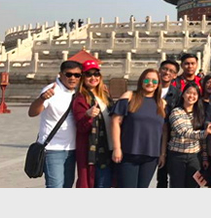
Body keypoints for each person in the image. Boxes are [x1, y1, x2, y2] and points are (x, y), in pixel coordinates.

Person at [28, 60, 81, 188]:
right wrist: (42, 99)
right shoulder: (52, 90)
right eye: (68, 74)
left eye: (77, 75)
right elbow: (32, 112)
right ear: (60, 75)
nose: (73, 78)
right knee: (55, 186)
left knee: (67, 185)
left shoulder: (79, 92)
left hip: (72, 149)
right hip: (53, 149)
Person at [111, 69, 167, 188]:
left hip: (151, 155)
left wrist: (162, 153)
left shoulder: (162, 104)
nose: (150, 83)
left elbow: (164, 130)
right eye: (146, 80)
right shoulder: (129, 96)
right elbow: (116, 122)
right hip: (129, 152)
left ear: (158, 84)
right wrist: (117, 148)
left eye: (154, 81)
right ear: (141, 81)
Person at [163, 82, 211, 188]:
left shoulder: (199, 113)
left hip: (195, 156)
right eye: (188, 93)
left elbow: (203, 140)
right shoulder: (176, 112)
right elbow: (184, 132)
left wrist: (205, 157)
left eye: (195, 94)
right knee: (177, 186)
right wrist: (205, 132)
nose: (191, 96)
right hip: (177, 155)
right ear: (183, 94)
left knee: (193, 187)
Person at [72, 60, 114, 188]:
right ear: (83, 77)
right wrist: (88, 115)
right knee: (97, 183)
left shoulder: (105, 96)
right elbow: (81, 127)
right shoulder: (80, 98)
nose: (93, 78)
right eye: (89, 75)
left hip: (108, 148)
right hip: (93, 150)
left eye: (96, 74)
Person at [156, 59, 180, 188]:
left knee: (164, 173)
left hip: (168, 136)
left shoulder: (177, 94)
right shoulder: (149, 87)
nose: (167, 72)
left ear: (175, 75)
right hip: (149, 134)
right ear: (159, 70)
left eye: (171, 71)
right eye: (165, 69)